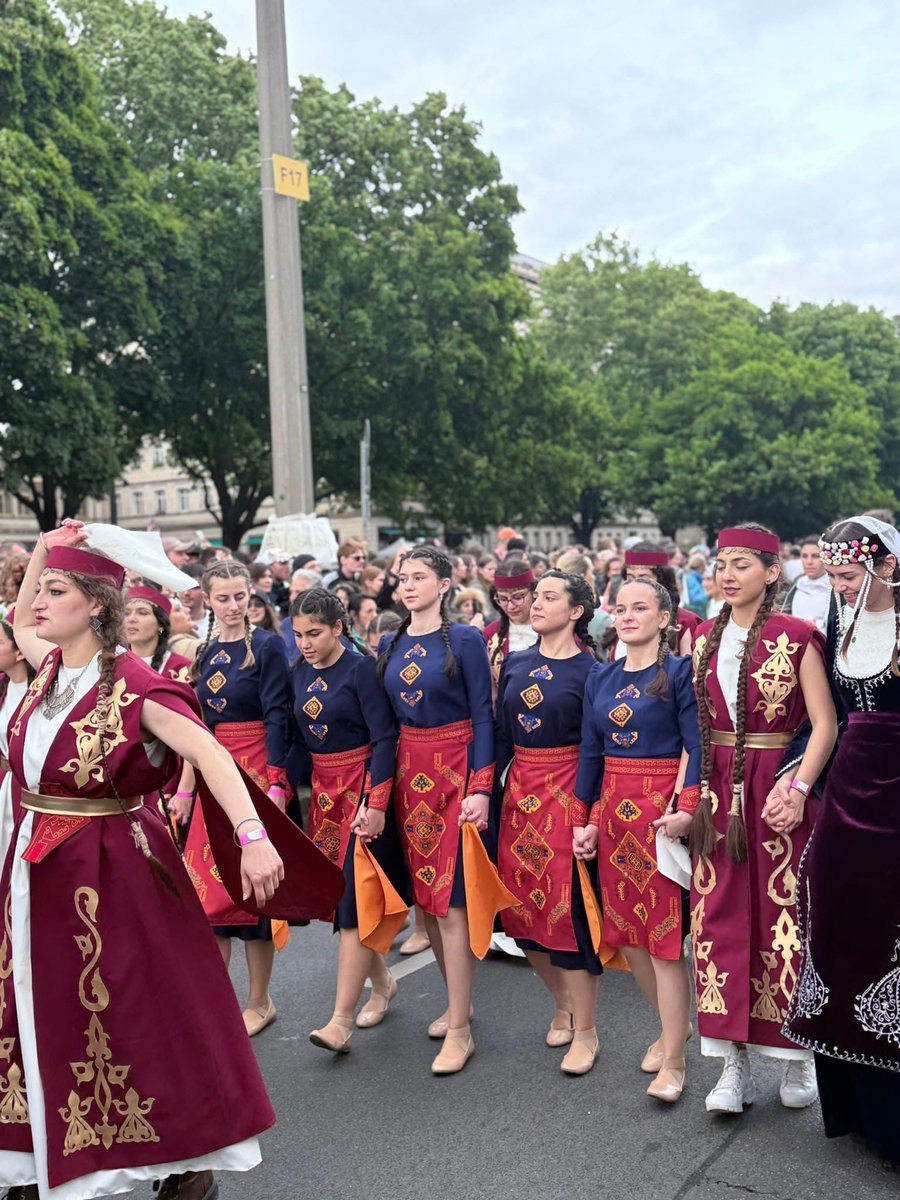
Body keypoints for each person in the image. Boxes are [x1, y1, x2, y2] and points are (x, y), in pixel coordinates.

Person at [4, 521, 283, 1200]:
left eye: (56, 590)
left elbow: (211, 754)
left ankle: (185, 1158)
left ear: (96, 604)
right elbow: (15, 615)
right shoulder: (46, 668)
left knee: (136, 1015)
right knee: (34, 1011)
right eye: (38, 590)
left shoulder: (136, 685)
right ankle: (34, 1151)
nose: (37, 602)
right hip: (34, 869)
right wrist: (47, 543)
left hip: (112, 874)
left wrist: (253, 836)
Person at [690, 524, 837, 1114]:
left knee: (786, 918)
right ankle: (730, 1065)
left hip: (777, 787)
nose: (728, 574)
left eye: (743, 564)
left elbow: (825, 723)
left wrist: (800, 787)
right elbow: (692, 729)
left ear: (772, 573)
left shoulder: (799, 635)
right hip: (717, 793)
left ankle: (799, 1057)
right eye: (722, 563)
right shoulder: (700, 638)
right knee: (716, 920)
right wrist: (688, 801)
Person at [785, 516, 900, 1164]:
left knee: (892, 950)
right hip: (847, 798)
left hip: (896, 802)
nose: (839, 585)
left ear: (885, 566)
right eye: (833, 575)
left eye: (849, 575)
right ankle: (854, 1111)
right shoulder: (838, 625)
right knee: (838, 939)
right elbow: (828, 719)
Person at [576, 579, 701, 1102]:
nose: (627, 616)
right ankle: (673, 1026)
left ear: (664, 618)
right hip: (612, 818)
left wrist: (687, 811)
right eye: (621, 609)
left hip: (661, 818)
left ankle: (674, 1059)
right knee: (630, 939)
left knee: (667, 942)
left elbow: (696, 747)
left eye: (640, 608)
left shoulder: (679, 674)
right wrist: (584, 820)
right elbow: (590, 754)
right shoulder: (600, 678)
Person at [377, 547, 494, 1074]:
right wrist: (377, 795)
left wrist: (481, 786)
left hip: (455, 771)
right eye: (403, 578)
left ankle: (462, 1030)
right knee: (427, 901)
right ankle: (456, 1005)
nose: (408, 586)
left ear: (445, 585)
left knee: (451, 903)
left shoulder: (467, 640)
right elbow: (383, 727)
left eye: (419, 577)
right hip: (408, 775)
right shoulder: (390, 641)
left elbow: (485, 718)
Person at [289, 589, 410, 1053]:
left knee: (358, 902)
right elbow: (299, 743)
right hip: (323, 798)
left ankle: (340, 1021)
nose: (305, 643)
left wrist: (376, 802)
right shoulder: (297, 672)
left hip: (361, 791)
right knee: (341, 903)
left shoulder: (361, 671)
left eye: (315, 633)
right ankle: (382, 984)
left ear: (339, 628)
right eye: (298, 634)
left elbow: (385, 739)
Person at [178, 560, 293, 1037]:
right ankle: (217, 1000)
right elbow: (195, 728)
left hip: (253, 772)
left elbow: (279, 718)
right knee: (209, 891)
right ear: (208, 599)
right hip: (210, 775)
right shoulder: (203, 653)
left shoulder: (266, 648)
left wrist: (277, 783)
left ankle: (260, 1001)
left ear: (252, 597)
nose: (231, 606)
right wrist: (185, 789)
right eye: (222, 598)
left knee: (252, 893)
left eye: (239, 597)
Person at [494, 571, 602, 1075]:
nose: (535, 604)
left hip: (567, 797)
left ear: (577, 611)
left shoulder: (593, 672)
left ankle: (587, 1030)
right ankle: (562, 1002)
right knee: (519, 917)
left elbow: (596, 750)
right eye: (535, 596)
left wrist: (586, 811)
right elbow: (498, 735)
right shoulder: (514, 664)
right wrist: (481, 792)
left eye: (549, 597)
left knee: (570, 917)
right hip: (518, 800)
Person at [605, 546, 700, 658]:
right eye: (630, 578)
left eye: (644, 578)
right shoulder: (622, 617)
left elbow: (689, 671)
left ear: (661, 580)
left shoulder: (685, 621)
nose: (635, 584)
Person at [0, 608, 32, 862]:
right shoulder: (2, 687)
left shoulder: (42, 692)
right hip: (4, 785)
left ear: (20, 651)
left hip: (29, 790)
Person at [123, 585, 193, 683]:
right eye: (126, 613)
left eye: (143, 613)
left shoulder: (181, 668)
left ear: (160, 624)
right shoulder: (112, 666)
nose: (131, 619)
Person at [483, 560, 538, 682]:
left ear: (535, 593)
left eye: (518, 597)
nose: (510, 606)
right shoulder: (490, 634)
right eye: (502, 599)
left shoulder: (555, 628)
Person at [780, 536, 832, 630]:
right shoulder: (797, 584)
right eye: (804, 556)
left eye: (815, 556)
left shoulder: (835, 588)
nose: (809, 562)